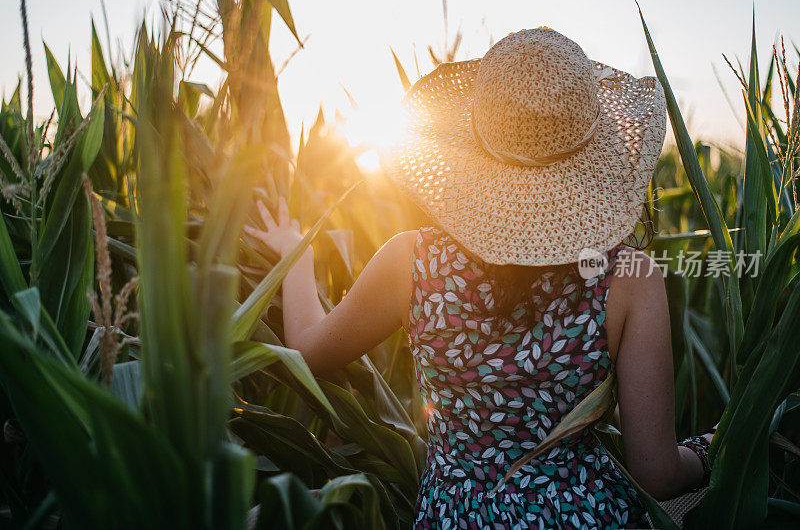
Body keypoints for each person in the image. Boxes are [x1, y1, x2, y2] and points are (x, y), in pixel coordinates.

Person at [244, 27, 715, 530]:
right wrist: (712, 450)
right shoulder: (629, 277)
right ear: (594, 159)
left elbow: (307, 350)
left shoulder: (412, 262)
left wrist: (296, 258)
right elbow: (657, 473)